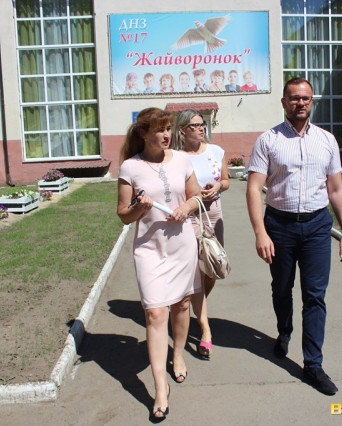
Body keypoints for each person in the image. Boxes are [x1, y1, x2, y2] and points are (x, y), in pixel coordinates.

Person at [246, 77, 342, 396]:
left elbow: (336, 189)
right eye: (294, 98)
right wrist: (260, 232)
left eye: (306, 98)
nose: (300, 103)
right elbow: (254, 188)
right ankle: (284, 330)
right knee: (281, 288)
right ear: (284, 103)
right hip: (279, 226)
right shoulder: (269, 140)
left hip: (317, 226)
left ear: (312, 102)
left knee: (315, 296)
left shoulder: (327, 141)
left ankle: (313, 365)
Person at [117, 107, 203, 419]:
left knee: (182, 305)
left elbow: (196, 196)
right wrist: (139, 208)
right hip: (149, 249)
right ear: (143, 133)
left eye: (168, 129)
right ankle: (160, 389)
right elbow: (123, 215)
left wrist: (187, 207)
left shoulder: (182, 160)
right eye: (159, 130)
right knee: (155, 313)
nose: (167, 135)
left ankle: (177, 354)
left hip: (181, 245)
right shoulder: (130, 167)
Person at [171, 109, 229, 359]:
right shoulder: (176, 157)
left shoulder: (216, 151)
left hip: (213, 213)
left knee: (213, 267)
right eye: (194, 125)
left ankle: (196, 306)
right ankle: (205, 328)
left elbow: (226, 181)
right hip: (191, 216)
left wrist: (218, 186)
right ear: (183, 130)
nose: (200, 128)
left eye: (202, 124)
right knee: (196, 270)